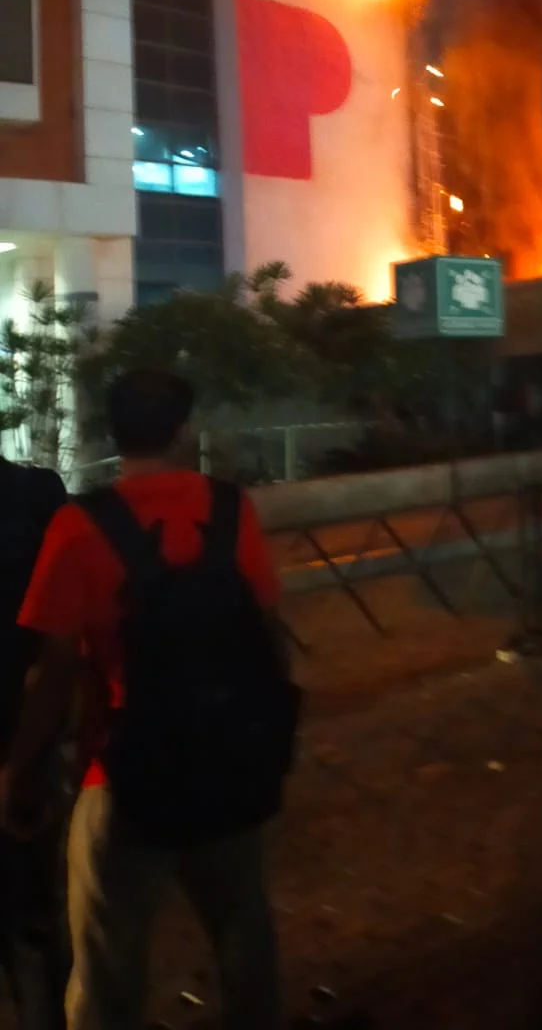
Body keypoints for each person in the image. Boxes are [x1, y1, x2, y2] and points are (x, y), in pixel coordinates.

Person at [0, 370, 294, 1030]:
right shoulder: (230, 509)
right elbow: (269, 635)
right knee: (246, 945)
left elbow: (53, 669)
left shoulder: (79, 525)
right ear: (183, 431)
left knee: (108, 974)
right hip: (227, 766)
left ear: (113, 433)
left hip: (125, 777)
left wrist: (19, 769)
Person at [0, 454, 70, 1030]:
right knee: (31, 922)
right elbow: (57, 645)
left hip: (25, 739)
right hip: (25, 735)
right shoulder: (39, 496)